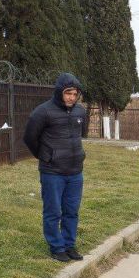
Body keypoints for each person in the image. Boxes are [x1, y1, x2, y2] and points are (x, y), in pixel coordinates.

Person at [23, 73, 88, 262]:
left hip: (75, 172)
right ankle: (56, 247)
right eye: (68, 93)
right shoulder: (42, 112)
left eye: (75, 94)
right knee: (53, 211)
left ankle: (69, 245)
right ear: (60, 92)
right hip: (53, 172)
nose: (72, 98)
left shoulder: (80, 112)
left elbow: (80, 135)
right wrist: (46, 156)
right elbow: (29, 138)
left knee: (72, 211)